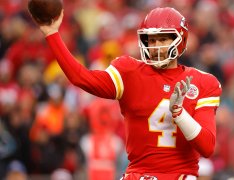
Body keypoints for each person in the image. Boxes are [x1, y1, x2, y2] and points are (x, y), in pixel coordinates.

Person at [36, 7, 222, 180]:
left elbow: (207, 147)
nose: (156, 46)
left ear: (180, 40)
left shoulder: (202, 82)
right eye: (152, 40)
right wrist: (52, 35)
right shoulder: (130, 72)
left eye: (163, 39)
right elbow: (81, 78)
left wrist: (179, 113)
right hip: (139, 174)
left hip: (180, 175)